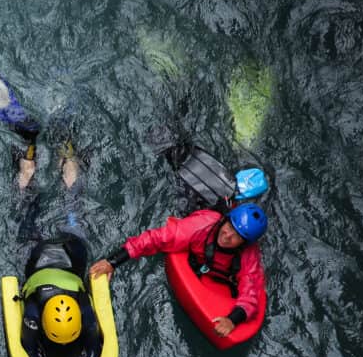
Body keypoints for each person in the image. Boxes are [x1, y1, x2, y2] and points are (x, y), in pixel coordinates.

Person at [89, 144, 269, 338]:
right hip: (196, 211)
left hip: (214, 268)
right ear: (225, 220)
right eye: (229, 227)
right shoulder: (200, 227)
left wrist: (232, 320)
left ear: (245, 243)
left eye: (237, 236)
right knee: (178, 172)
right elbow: (153, 239)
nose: (227, 236)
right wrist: (112, 261)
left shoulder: (248, 256)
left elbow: (251, 295)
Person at [9, 119, 104, 357]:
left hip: (67, 252)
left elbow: (31, 348)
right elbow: (93, 346)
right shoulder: (80, 311)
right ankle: (60, 149)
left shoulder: (35, 311)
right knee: (62, 203)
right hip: (50, 255)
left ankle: (32, 151)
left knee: (39, 205)